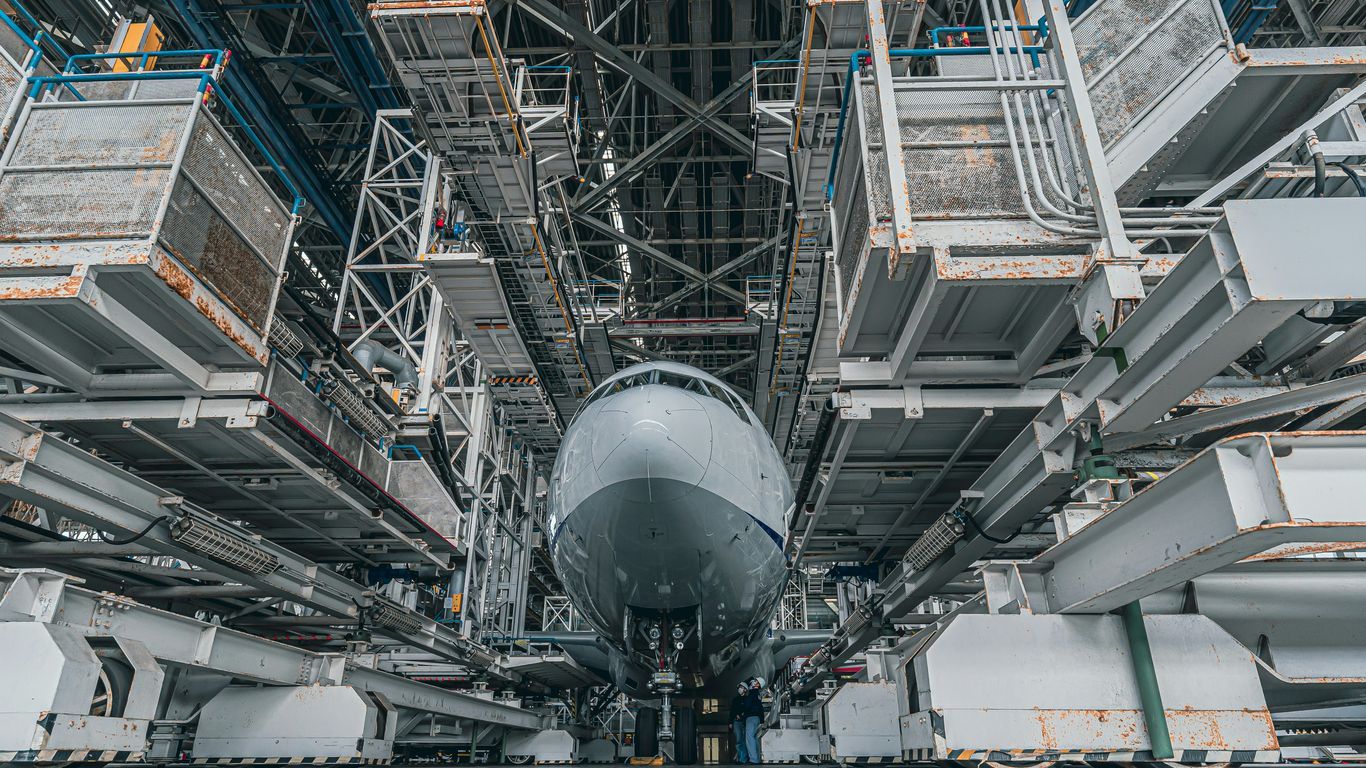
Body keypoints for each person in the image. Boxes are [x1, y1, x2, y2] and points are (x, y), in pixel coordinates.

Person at [742, 677, 765, 764]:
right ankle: (757, 758)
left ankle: (753, 760)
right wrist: (762, 720)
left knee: (749, 738)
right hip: (757, 718)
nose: (753, 682)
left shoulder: (752, 693)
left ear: (758, 685)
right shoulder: (757, 694)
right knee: (754, 738)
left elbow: (747, 705)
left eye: (755, 681)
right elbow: (760, 708)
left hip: (751, 717)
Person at [729, 683, 750, 763]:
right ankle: (741, 758)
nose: (739, 689)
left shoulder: (747, 699)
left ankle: (743, 758)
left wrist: (742, 715)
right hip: (736, 722)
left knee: (744, 740)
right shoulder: (735, 699)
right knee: (738, 741)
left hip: (744, 722)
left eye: (741, 687)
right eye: (739, 687)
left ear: (745, 689)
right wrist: (730, 722)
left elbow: (748, 710)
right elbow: (732, 711)